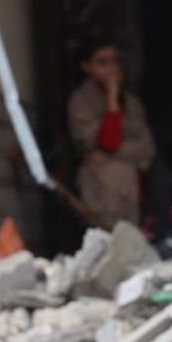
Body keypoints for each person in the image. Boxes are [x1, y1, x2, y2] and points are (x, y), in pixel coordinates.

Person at [68, 37, 156, 226]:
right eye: (103, 63)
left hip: (132, 185)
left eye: (115, 61)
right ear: (87, 67)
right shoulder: (81, 102)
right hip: (101, 186)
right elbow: (107, 141)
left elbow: (146, 148)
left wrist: (107, 154)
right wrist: (112, 99)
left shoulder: (133, 104)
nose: (111, 68)